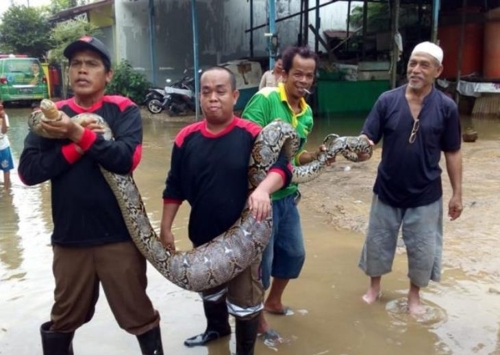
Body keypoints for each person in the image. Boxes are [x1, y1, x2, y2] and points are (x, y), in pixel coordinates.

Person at [17, 36, 164, 355]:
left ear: (107, 74)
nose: (82, 70)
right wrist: (74, 145)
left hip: (120, 238)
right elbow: (28, 173)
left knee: (139, 314)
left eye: (92, 64)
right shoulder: (50, 115)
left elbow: (125, 160)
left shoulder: (123, 109)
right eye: (76, 64)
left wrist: (74, 132)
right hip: (70, 239)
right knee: (64, 319)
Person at [160, 66, 292, 355]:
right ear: (199, 97)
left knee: (246, 300)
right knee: (210, 290)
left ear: (235, 96)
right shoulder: (185, 138)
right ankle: (216, 330)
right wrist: (166, 228)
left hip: (245, 236)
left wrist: (263, 189)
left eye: (221, 91)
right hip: (204, 233)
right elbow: (174, 187)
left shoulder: (253, 134)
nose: (213, 98)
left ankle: (244, 350)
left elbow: (285, 166)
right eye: (206, 92)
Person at [357, 41, 463, 315]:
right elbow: (368, 136)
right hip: (387, 189)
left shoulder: (446, 107)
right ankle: (374, 288)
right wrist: (361, 145)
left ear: (438, 71)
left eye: (424, 65)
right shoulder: (387, 100)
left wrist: (457, 194)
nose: (415, 69)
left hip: (426, 193)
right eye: (412, 63)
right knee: (378, 242)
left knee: (423, 248)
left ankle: (414, 297)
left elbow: (453, 152)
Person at [242, 46, 331, 336]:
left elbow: (296, 157)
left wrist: (317, 156)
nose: (304, 81)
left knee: (294, 254)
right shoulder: (265, 100)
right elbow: (245, 144)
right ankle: (256, 320)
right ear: (283, 72)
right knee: (261, 267)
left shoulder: (306, 114)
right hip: (259, 199)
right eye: (298, 74)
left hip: (287, 197)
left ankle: (274, 302)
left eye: (309, 75)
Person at [0, 102, 14, 189]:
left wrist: (4, 117)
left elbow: (4, 131)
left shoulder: (4, 117)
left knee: (6, 168)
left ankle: (6, 188)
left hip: (3, 145)